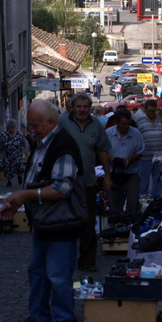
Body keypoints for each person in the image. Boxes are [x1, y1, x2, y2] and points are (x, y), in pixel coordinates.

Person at [2, 100, 85, 322]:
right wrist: (18, 200)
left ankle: (65, 320)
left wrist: (25, 194)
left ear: (51, 122)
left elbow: (62, 189)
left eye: (35, 125)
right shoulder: (42, 143)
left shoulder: (63, 146)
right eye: (29, 125)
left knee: (58, 274)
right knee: (37, 270)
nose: (31, 130)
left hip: (62, 222)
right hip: (45, 221)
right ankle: (39, 316)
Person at [58, 93, 112, 271]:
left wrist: (107, 175)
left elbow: (103, 150)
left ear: (90, 108)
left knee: (88, 221)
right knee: (64, 220)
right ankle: (63, 259)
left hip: (88, 180)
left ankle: (87, 260)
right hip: (63, 180)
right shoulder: (62, 122)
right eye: (78, 106)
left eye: (85, 107)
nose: (82, 110)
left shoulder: (96, 124)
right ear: (72, 107)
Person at [105, 108, 145, 223]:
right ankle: (115, 226)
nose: (126, 126)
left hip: (131, 174)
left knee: (133, 202)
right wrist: (111, 159)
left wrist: (130, 159)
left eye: (128, 123)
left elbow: (141, 150)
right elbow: (102, 151)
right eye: (123, 124)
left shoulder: (136, 133)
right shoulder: (108, 133)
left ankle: (130, 226)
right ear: (117, 122)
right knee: (113, 203)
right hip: (113, 174)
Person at [135, 99, 162, 197]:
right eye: (149, 110)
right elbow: (136, 137)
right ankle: (143, 199)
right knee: (144, 180)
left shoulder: (161, 121)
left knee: (157, 179)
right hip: (145, 156)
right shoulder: (140, 121)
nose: (151, 112)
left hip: (159, 156)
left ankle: (156, 199)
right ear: (145, 110)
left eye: (153, 110)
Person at [0, 119, 29, 188]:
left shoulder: (19, 134)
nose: (10, 129)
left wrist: (26, 151)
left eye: (12, 128)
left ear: (15, 127)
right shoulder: (4, 134)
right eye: (9, 128)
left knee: (19, 166)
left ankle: (19, 176)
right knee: (7, 167)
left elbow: (24, 143)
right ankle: (9, 181)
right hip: (7, 154)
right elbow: (0, 144)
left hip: (17, 154)